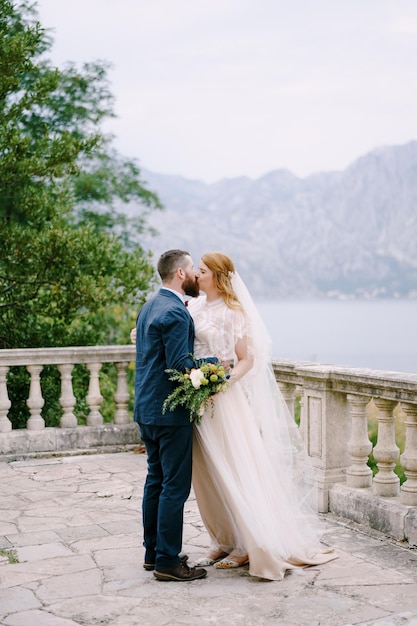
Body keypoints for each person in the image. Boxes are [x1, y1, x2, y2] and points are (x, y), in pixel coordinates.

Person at [187, 252, 338, 581]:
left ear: (217, 275)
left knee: (236, 470)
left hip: (224, 402)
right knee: (208, 476)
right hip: (197, 402)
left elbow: (245, 360)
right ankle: (222, 540)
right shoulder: (193, 307)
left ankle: (246, 545)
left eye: (202, 271)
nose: (196, 275)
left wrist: (221, 382)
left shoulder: (234, 313)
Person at [133, 249, 208, 582]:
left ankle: (153, 552)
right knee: (174, 487)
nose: (195, 274)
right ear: (180, 273)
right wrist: (215, 365)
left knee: (156, 480)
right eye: (192, 268)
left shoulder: (149, 306)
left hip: (146, 409)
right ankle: (167, 561)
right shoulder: (176, 313)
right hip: (169, 412)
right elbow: (180, 366)